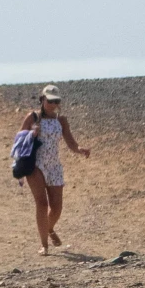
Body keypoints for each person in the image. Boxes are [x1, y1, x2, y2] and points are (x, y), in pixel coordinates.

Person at [21, 84, 89, 254]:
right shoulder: (33, 117)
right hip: (35, 164)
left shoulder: (61, 120)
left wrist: (80, 149)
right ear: (42, 100)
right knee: (42, 204)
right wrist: (31, 135)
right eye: (49, 100)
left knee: (57, 207)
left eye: (56, 101)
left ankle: (49, 228)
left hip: (54, 166)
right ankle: (44, 245)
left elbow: (71, 142)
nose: (53, 104)